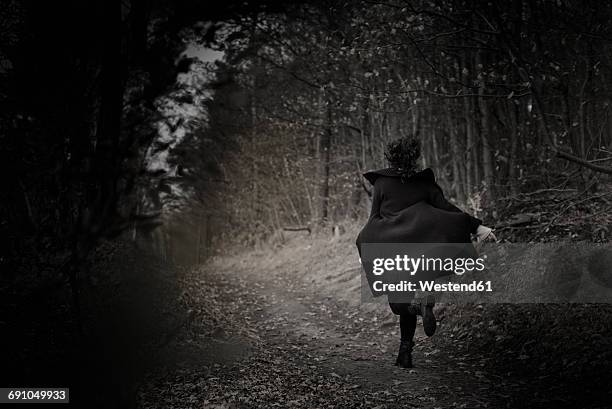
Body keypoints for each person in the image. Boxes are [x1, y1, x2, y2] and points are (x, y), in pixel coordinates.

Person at [356, 136, 496, 368]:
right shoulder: (426, 185)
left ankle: (405, 352)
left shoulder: (381, 184)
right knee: (417, 292)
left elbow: (374, 218)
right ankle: (419, 309)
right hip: (422, 249)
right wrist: (477, 226)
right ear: (415, 157)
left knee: (399, 300)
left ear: (391, 157)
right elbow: (448, 209)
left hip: (394, 250)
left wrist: (366, 243)